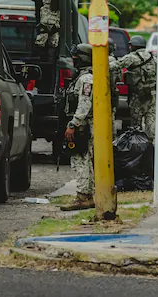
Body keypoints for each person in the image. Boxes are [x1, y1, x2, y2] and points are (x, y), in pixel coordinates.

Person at [61, 44, 95, 211]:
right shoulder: (83, 77)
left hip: (83, 126)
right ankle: (87, 195)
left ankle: (83, 196)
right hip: (85, 125)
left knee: (80, 160)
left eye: (76, 58)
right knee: (86, 160)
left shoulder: (86, 79)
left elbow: (84, 104)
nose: (73, 61)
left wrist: (73, 124)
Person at [110, 35, 156, 138]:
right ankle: (151, 145)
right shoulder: (152, 57)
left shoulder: (131, 57)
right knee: (151, 121)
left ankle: (137, 144)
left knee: (136, 123)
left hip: (138, 96)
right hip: (152, 95)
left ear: (134, 46)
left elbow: (113, 66)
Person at [108, 39, 121, 124]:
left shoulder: (96, 58)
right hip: (110, 92)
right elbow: (118, 78)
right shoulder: (113, 60)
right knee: (110, 118)